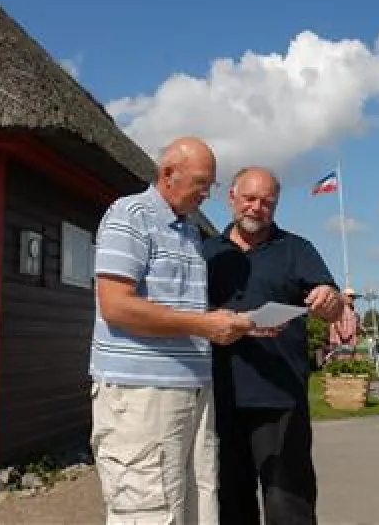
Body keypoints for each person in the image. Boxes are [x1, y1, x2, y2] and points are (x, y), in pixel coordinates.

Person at [90, 136, 255, 525]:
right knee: (148, 511)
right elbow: (115, 305)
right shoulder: (129, 215)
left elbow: (180, 311)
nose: (207, 194)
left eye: (211, 184)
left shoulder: (191, 233)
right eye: (201, 183)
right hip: (143, 396)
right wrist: (204, 324)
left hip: (192, 391)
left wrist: (228, 323)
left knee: (197, 508)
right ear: (168, 174)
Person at [202, 166, 344, 525]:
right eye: (249, 199)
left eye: (267, 202)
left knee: (289, 504)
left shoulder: (297, 249)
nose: (256, 208)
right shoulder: (205, 253)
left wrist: (330, 299)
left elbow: (333, 304)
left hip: (282, 396)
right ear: (231, 197)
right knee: (230, 502)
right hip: (220, 396)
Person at [328, 288, 361, 357]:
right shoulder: (339, 308)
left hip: (349, 345)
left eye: (353, 297)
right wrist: (345, 337)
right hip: (340, 345)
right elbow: (336, 324)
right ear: (344, 296)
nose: (352, 299)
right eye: (350, 296)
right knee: (342, 364)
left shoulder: (352, 311)